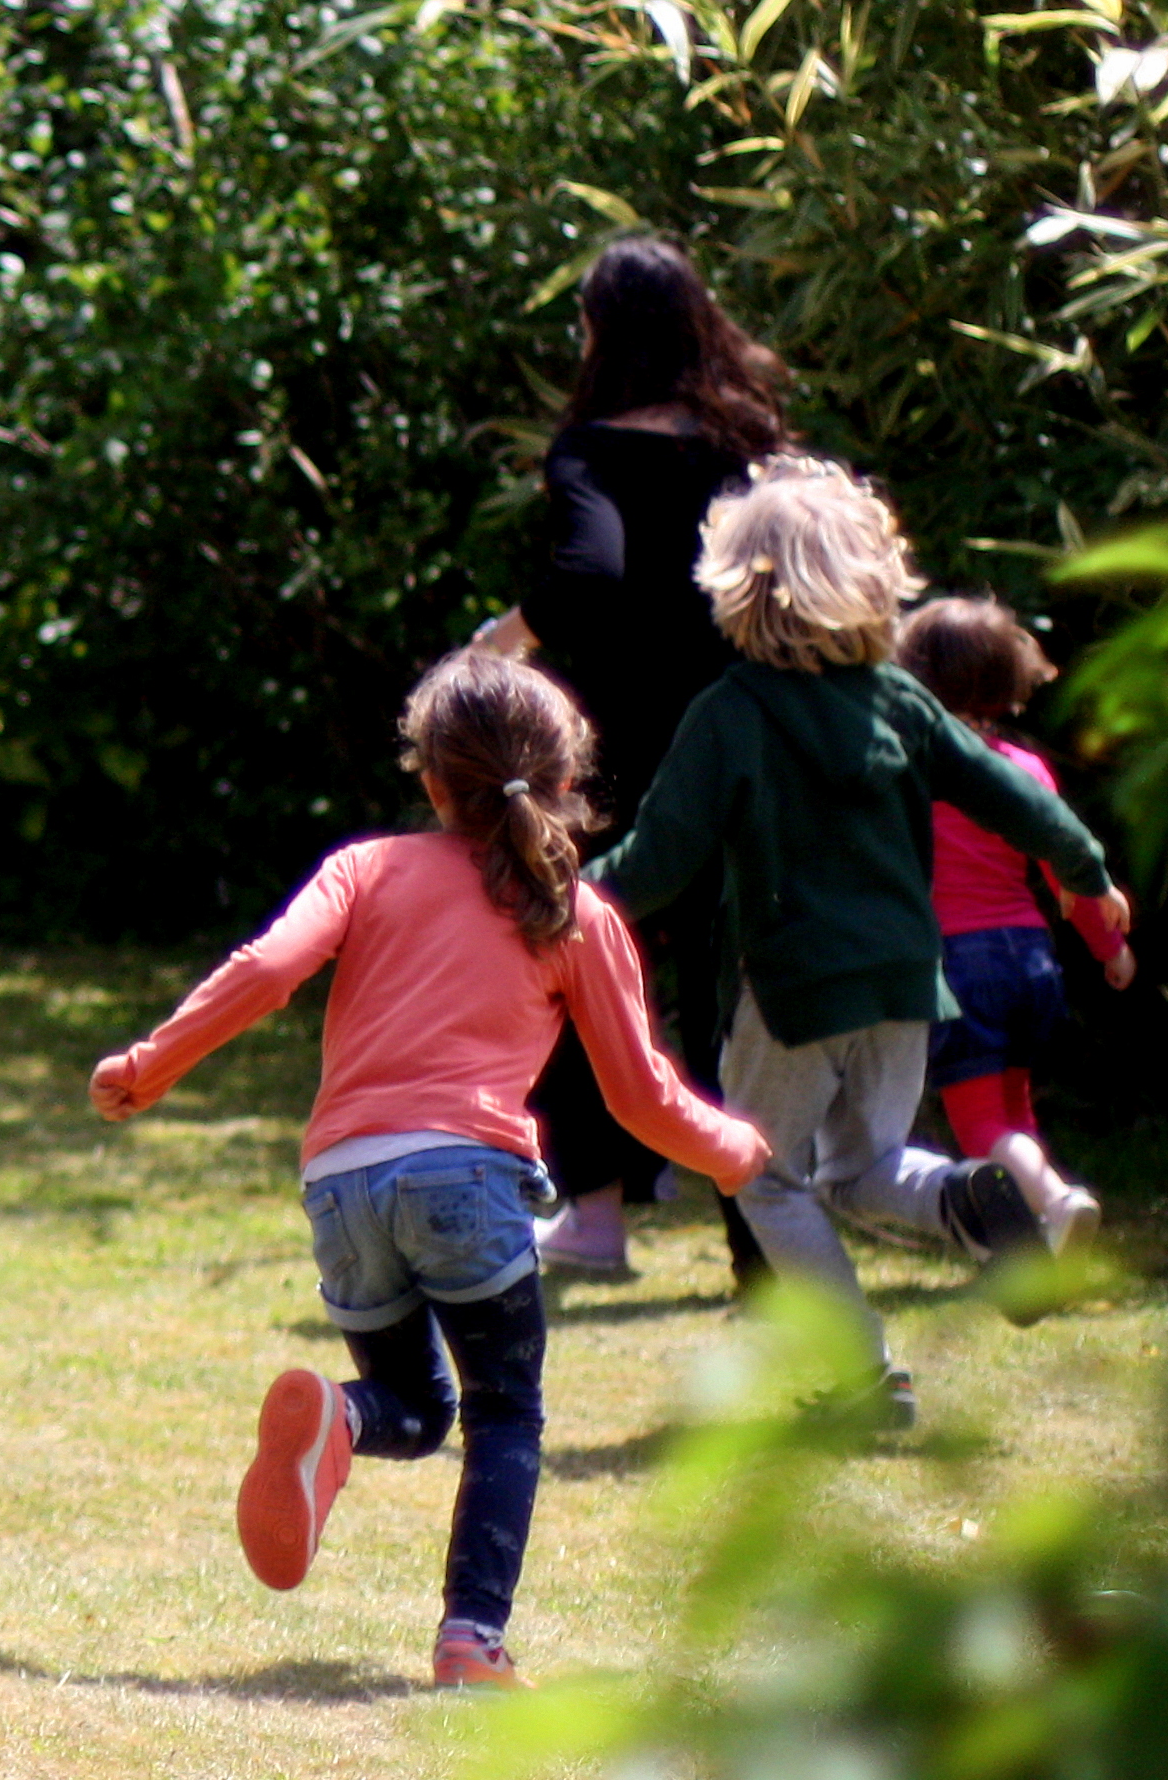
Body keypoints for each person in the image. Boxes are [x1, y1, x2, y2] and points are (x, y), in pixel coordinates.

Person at [89, 653, 768, 1690]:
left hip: (340, 1180)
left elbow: (267, 969)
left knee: (412, 1400)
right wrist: (731, 1150)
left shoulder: (366, 867)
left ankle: (344, 1414)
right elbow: (638, 1099)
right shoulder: (573, 910)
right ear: (560, 777)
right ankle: (470, 1641)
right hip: (467, 1179)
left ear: (431, 778)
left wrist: (150, 1066)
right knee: (505, 1410)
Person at [589, 460, 1135, 1426]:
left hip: (793, 988)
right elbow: (1022, 802)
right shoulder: (900, 699)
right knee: (860, 1169)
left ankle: (864, 1379)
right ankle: (970, 1193)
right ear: (871, 582)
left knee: (758, 1173)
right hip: (906, 982)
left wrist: (558, 903)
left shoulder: (733, 713)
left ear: (739, 586)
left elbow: (654, 862)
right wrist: (1090, 874)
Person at [476, 233, 790, 1282]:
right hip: (742, 734)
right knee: (721, 995)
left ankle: (596, 1212)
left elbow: (589, 575)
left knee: (568, 954)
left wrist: (502, 638)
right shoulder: (744, 440)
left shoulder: (591, 449)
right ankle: (759, 1245)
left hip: (617, 755)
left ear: (599, 330)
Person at [893, 595, 1134, 1245]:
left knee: (978, 1125)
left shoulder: (911, 770)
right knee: (1012, 1108)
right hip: (1030, 960)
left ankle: (1054, 1200)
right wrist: (1108, 946)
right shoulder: (1024, 769)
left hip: (958, 965)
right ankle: (1041, 1228)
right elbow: (1069, 869)